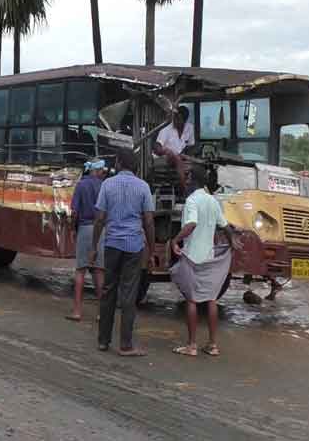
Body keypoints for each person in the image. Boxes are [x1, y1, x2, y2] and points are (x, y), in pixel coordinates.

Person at [170, 166, 240, 357]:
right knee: (211, 300)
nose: (185, 181)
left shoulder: (192, 200)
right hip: (209, 257)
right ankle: (212, 344)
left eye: (187, 177)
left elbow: (191, 224)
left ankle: (192, 345)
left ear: (193, 180)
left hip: (192, 257)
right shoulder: (212, 201)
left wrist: (175, 240)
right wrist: (232, 240)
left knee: (191, 300)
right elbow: (224, 225)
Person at [91, 149, 155, 356]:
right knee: (129, 294)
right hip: (134, 246)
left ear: (119, 163)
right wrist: (151, 250)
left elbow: (100, 218)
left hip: (112, 245)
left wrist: (93, 247)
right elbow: (149, 221)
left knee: (108, 291)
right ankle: (126, 345)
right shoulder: (143, 187)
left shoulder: (107, 185)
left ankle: (103, 341)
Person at [66, 159, 107, 322]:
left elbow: (74, 212)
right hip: (101, 230)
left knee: (80, 270)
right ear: (98, 171)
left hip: (84, 229)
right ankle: (101, 313)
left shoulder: (81, 185)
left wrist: (72, 229)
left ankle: (77, 311)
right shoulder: (104, 186)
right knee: (99, 271)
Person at [153, 106, 195, 188]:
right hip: (164, 158)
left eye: (178, 119)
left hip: (180, 157)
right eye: (174, 117)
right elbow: (157, 147)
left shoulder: (190, 128)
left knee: (195, 165)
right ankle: (185, 188)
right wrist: (165, 151)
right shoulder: (166, 129)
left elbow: (191, 146)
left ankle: (193, 188)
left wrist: (185, 154)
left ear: (185, 120)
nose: (175, 120)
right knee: (176, 158)